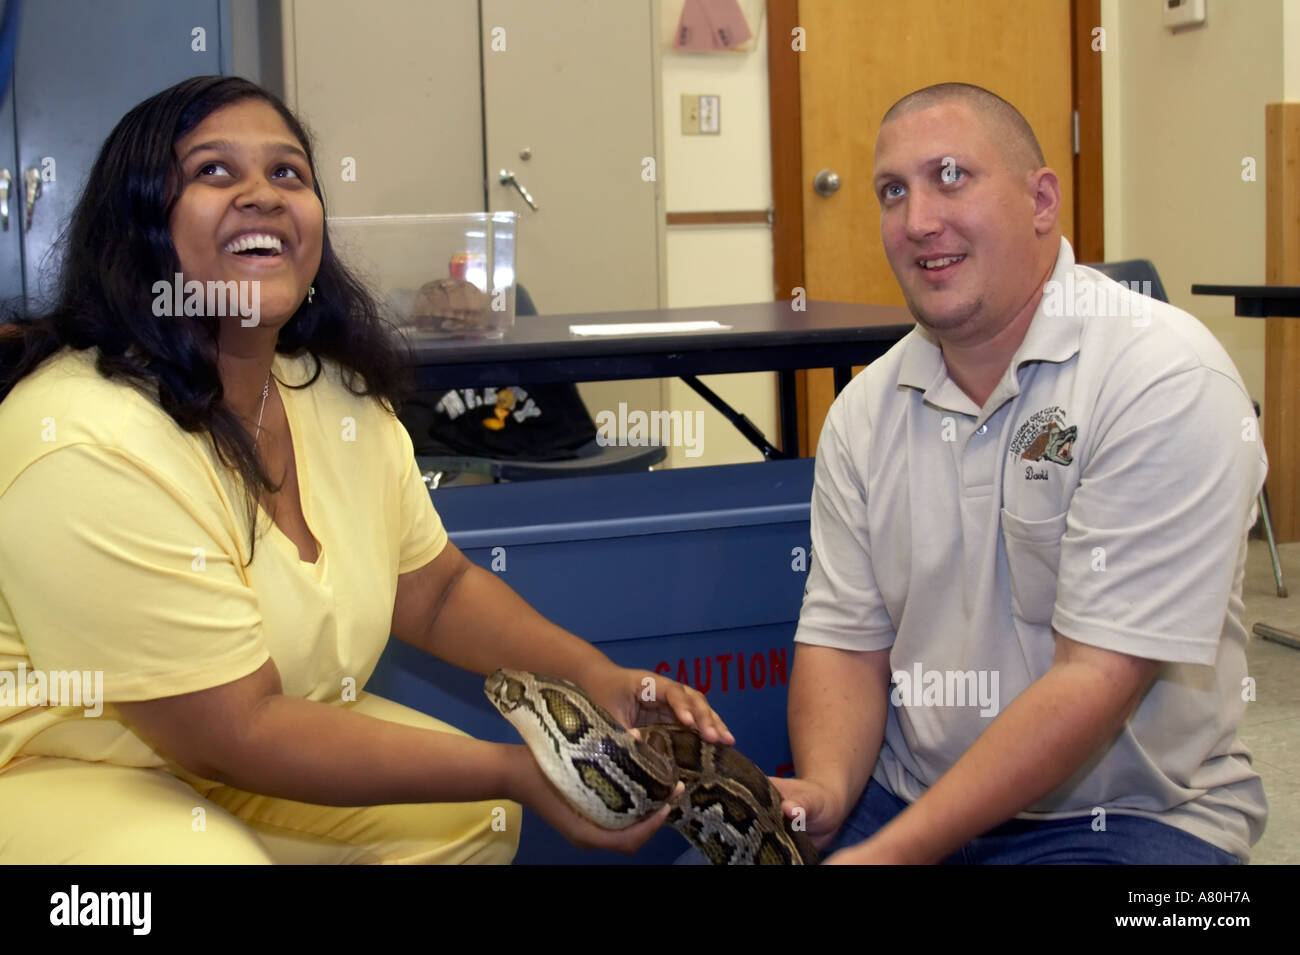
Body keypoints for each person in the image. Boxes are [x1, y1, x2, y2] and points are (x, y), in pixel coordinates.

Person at [0, 75, 730, 864]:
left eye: (288, 173)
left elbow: (437, 590)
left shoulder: (333, 395)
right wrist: (520, 768)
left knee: (469, 820)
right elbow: (234, 731)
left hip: (226, 751)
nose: (263, 195)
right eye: (215, 171)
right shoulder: (85, 437)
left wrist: (600, 678)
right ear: (139, 225)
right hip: (53, 767)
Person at [771, 82, 1267, 864]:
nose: (918, 219)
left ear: (1042, 200)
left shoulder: (1163, 377)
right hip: (904, 795)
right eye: (893, 191)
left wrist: (892, 855)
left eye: (951, 176)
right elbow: (844, 640)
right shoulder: (866, 410)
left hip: (1132, 818)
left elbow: (1097, 680)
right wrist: (829, 791)